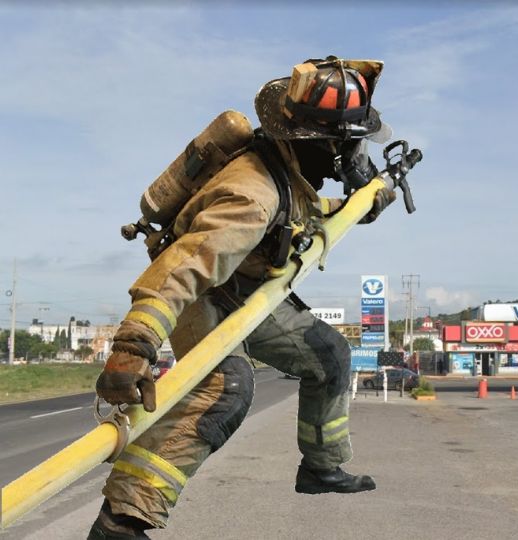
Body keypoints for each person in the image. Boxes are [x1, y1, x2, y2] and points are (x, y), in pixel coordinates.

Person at [89, 57, 399, 540]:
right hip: (206, 294)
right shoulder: (251, 196)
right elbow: (182, 269)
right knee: (227, 389)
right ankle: (123, 521)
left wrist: (361, 206)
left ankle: (320, 468)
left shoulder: (286, 169)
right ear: (321, 143)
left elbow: (308, 210)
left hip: (248, 287)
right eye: (348, 142)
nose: (353, 154)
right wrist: (134, 346)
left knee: (330, 356)